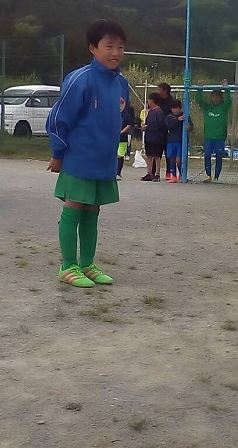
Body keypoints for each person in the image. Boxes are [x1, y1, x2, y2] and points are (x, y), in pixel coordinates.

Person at [46, 18, 130, 288]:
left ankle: (86, 264)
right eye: (109, 46)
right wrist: (58, 154)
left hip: (104, 162)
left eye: (120, 47)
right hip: (79, 159)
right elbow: (59, 118)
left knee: (93, 211)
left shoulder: (121, 83)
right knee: (74, 208)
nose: (115, 53)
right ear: (93, 48)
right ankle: (67, 266)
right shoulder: (80, 79)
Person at [194, 79, 231, 183]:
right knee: (207, 155)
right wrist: (200, 88)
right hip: (209, 137)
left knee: (219, 156)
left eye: (217, 97)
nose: (215, 99)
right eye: (213, 97)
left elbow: (229, 101)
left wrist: (226, 87)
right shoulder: (207, 108)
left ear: (220, 98)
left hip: (219, 137)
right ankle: (208, 175)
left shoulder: (223, 108)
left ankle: (216, 177)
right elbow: (199, 100)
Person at [140, 93, 165, 182]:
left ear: (152, 100)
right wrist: (144, 126)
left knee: (157, 156)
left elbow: (161, 124)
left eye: (149, 100)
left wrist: (149, 127)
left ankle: (157, 174)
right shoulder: (150, 111)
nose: (148, 101)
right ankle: (149, 173)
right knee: (149, 155)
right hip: (149, 137)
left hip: (157, 138)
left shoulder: (159, 111)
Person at [165, 99, 188, 182]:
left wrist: (189, 127)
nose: (175, 110)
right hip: (171, 140)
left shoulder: (185, 116)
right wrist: (177, 120)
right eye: (173, 108)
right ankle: (173, 176)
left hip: (181, 141)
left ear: (180, 108)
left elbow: (190, 126)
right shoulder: (169, 117)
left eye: (177, 108)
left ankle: (182, 175)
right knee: (171, 158)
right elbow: (169, 127)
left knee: (179, 160)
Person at [117, 98, 132, 179]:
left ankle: (118, 173)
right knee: (114, 155)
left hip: (122, 138)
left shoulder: (126, 115)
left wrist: (121, 132)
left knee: (120, 155)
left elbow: (129, 125)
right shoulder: (114, 113)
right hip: (114, 138)